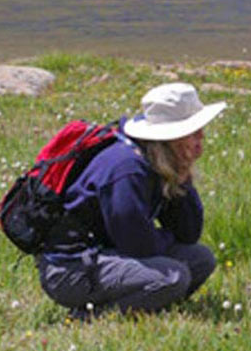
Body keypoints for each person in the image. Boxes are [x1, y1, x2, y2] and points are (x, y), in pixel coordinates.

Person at [37, 83, 225, 318]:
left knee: (200, 259)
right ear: (172, 137)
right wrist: (164, 238)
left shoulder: (157, 159)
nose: (201, 137)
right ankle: (90, 317)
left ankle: (146, 304)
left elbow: (188, 233)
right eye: (193, 132)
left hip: (107, 255)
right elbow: (139, 246)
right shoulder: (128, 169)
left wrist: (183, 178)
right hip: (71, 269)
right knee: (174, 276)